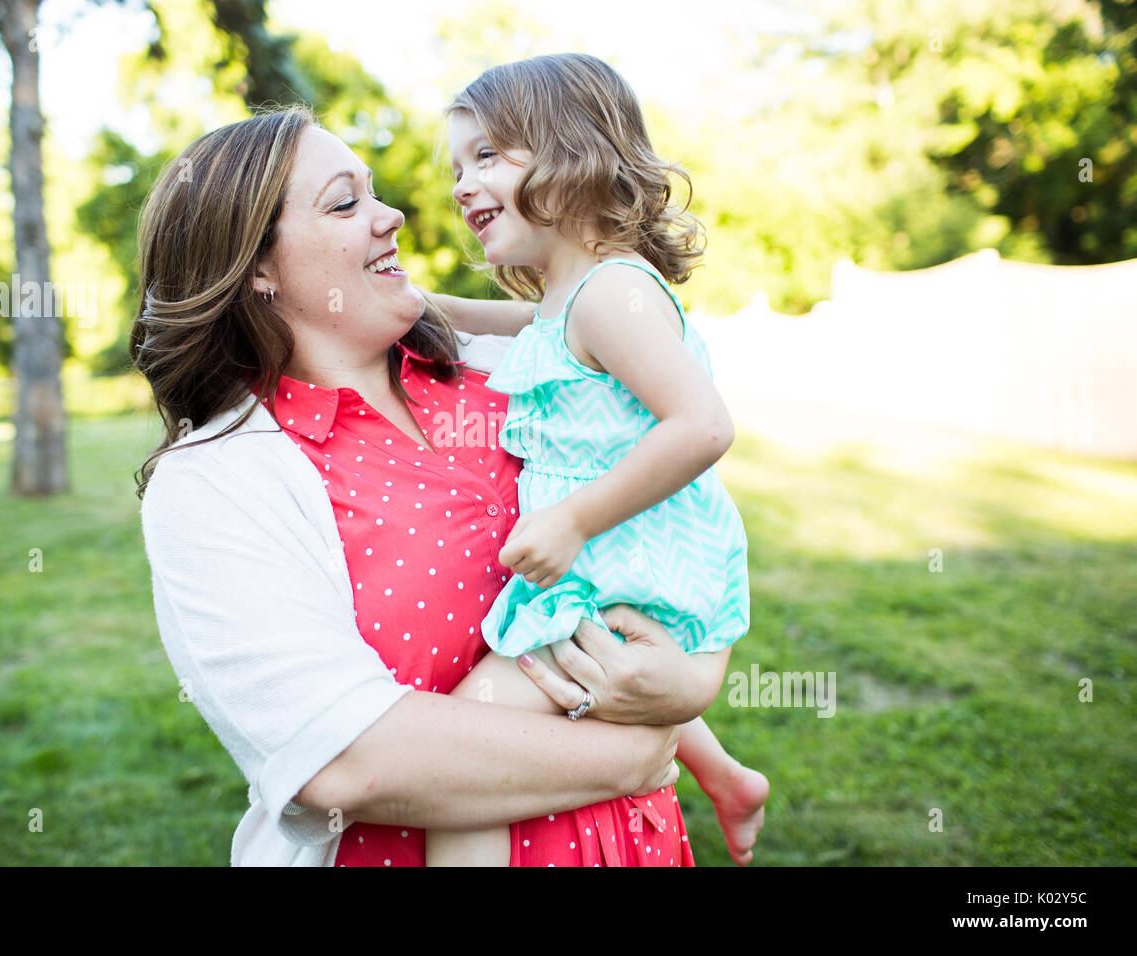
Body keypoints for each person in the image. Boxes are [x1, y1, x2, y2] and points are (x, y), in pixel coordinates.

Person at [134, 103, 734, 866]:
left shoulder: (509, 373)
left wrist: (693, 682)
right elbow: (343, 759)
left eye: (374, 193)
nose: (392, 216)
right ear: (255, 266)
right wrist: (640, 753)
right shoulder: (220, 480)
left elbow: (688, 529)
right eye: (345, 203)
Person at [423, 53, 769, 867]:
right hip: (627, 559)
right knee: (616, 678)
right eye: (457, 167)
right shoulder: (571, 297)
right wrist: (419, 304)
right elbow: (515, 326)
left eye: (487, 157)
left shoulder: (611, 294)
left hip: (633, 556)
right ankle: (727, 778)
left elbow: (704, 425)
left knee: (465, 737)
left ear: (572, 154)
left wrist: (573, 520)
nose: (462, 184)